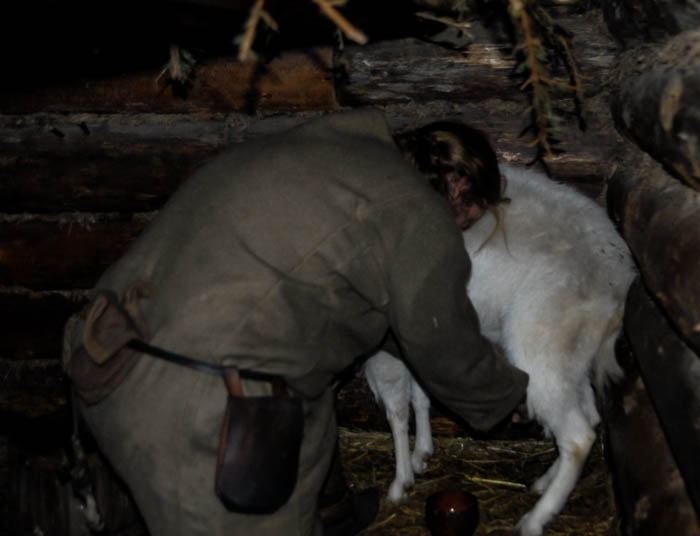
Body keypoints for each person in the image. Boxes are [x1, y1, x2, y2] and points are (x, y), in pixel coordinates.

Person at [62, 108, 529, 536]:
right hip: (197, 416)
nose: (461, 231)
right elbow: (438, 337)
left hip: (102, 356)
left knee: (305, 390)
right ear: (460, 187)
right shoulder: (416, 211)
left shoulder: (323, 158)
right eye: (468, 221)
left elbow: (379, 318)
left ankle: (332, 514)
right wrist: (505, 394)